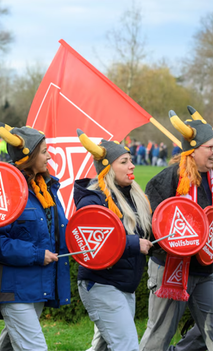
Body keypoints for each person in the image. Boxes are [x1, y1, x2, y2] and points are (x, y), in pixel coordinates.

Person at [0, 121, 71, 351]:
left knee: (12, 346)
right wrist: (37, 254)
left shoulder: (48, 188)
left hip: (38, 286)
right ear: (28, 157)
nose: (49, 157)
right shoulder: (6, 190)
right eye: (44, 152)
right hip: (14, 287)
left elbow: (58, 230)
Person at [139, 106, 213, 350]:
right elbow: (150, 225)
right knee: (159, 334)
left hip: (205, 271)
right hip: (172, 268)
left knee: (210, 331)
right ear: (193, 151)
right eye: (210, 148)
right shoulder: (167, 179)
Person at [74, 130, 153, 351]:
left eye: (131, 160)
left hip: (123, 284)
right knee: (127, 346)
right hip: (100, 284)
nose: (132, 166)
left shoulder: (134, 196)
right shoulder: (92, 201)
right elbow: (93, 244)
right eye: (124, 161)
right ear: (108, 168)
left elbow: (147, 231)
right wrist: (134, 245)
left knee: (106, 347)